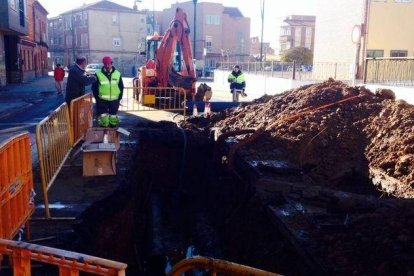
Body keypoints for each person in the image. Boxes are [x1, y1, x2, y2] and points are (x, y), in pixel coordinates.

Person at [92, 56, 124, 127]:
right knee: (104, 117)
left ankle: (112, 130)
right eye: (105, 64)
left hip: (114, 100)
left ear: (111, 64)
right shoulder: (98, 74)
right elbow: (94, 87)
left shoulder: (118, 74)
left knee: (113, 116)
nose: (107, 66)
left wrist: (120, 97)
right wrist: (97, 98)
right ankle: (104, 132)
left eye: (108, 64)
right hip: (102, 100)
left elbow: (121, 87)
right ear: (103, 64)